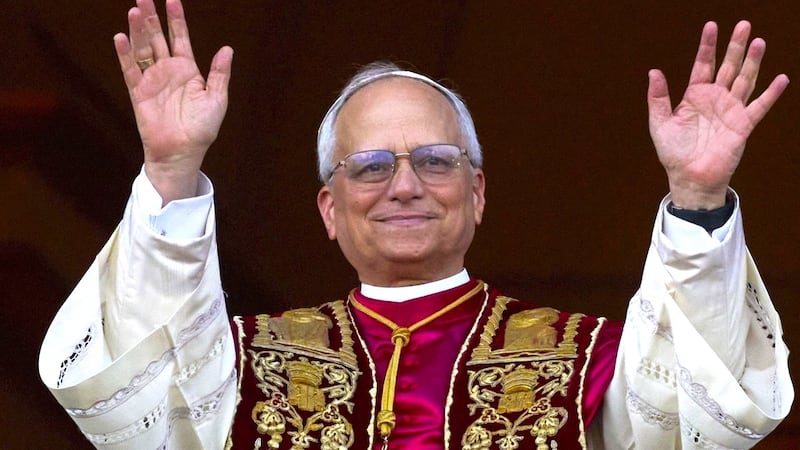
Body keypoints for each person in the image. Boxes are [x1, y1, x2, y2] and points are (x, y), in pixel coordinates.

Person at [39, 0, 792, 448]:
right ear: (329, 209)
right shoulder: (240, 364)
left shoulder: (587, 361)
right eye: (370, 166)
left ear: (477, 192)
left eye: (435, 160)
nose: (404, 185)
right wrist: (171, 172)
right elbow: (142, 411)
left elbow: (695, 419)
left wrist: (698, 196)